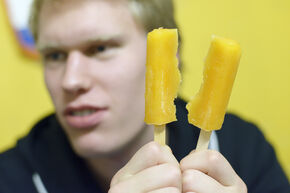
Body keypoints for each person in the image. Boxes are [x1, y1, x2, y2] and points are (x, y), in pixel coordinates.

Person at [0, 0, 289, 192]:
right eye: (54, 55)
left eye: (100, 49)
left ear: (166, 58)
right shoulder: (12, 178)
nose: (71, 80)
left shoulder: (243, 152)